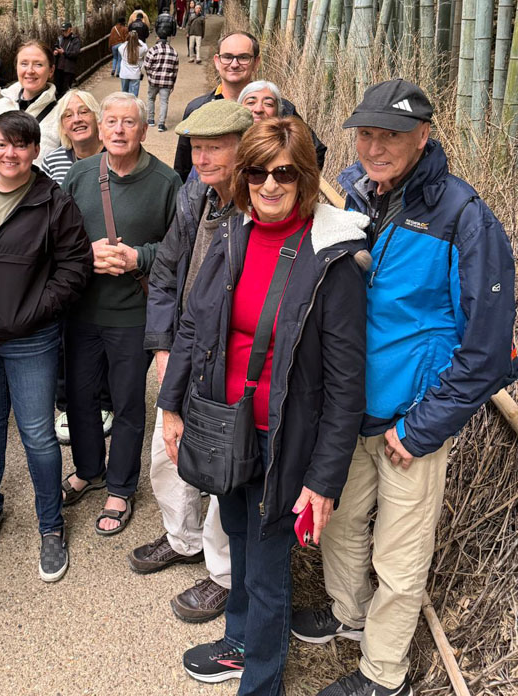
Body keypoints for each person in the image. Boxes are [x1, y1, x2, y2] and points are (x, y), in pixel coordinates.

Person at [292, 80, 517, 696]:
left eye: (390, 134)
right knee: (337, 526)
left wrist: (422, 426)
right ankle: (347, 616)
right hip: (350, 410)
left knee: (399, 556)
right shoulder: (352, 192)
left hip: (411, 420)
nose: (374, 146)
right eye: (366, 133)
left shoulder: (464, 217)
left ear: (424, 136)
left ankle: (384, 673)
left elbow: (490, 347)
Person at [158, 116, 368, 692]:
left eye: (284, 173)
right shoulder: (233, 235)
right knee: (241, 544)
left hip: (284, 439)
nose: (269, 185)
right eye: (256, 173)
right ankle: (240, 641)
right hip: (227, 430)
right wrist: (171, 406)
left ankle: (262, 682)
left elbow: (347, 387)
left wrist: (323, 482)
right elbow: (195, 326)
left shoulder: (332, 259)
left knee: (270, 566)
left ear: (305, 178)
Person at [0, 110, 92, 580]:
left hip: (31, 339)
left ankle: (50, 525)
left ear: (34, 151)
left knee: (37, 433)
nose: (11, 154)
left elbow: (75, 267)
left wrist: (34, 310)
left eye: (21, 146)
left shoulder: (53, 202)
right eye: (3, 144)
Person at [131, 101, 253, 625]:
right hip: (185, 348)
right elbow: (164, 274)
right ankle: (181, 539)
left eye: (215, 147)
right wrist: (161, 348)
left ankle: (222, 573)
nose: (202, 157)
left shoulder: (261, 204)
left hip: (235, 358)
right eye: (196, 147)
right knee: (167, 454)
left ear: (244, 148)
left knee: (227, 469)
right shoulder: (195, 197)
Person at [61, 93, 181, 536]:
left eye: (127, 123)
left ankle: (120, 485)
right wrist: (83, 254)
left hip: (133, 312)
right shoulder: (78, 175)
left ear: (143, 130)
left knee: (128, 401)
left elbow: (178, 248)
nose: (117, 130)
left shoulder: (167, 182)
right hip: (82, 308)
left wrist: (139, 258)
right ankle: (89, 468)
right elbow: (58, 235)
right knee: (79, 395)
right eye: (110, 121)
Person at [40, 89, 114, 446]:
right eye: (69, 115)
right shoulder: (53, 161)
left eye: (85, 111)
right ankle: (66, 403)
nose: (77, 119)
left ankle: (103, 400)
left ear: (97, 118)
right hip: (65, 262)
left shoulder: (115, 154)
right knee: (64, 334)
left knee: (103, 332)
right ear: (63, 126)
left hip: (111, 259)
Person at [173, 31, 261, 181]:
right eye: (227, 57)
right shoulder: (198, 108)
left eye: (243, 57)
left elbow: (312, 155)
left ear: (256, 62)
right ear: (217, 61)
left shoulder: (276, 109)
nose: (234, 64)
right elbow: (183, 167)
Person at [0, 40, 60, 163]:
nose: (30, 70)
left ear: (51, 70)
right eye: (24, 64)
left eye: (38, 64)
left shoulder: (60, 114)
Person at [239, 81, 327, 169]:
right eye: (250, 103)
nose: (258, 109)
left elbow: (316, 151)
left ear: (278, 111)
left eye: (268, 104)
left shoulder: (287, 118)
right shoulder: (230, 130)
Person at [143, 30, 179, 132]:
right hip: (167, 81)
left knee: (151, 99)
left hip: (154, 80)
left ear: (158, 38)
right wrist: (173, 83)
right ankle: (161, 124)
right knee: (164, 102)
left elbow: (146, 65)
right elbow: (175, 69)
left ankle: (150, 120)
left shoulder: (153, 50)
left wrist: (150, 76)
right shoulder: (173, 51)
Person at [53, 22, 83, 97]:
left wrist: (64, 52)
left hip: (68, 68)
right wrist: (56, 52)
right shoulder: (60, 38)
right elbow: (55, 47)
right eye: (63, 31)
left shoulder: (75, 40)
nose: (64, 32)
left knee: (65, 89)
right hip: (59, 67)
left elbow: (75, 53)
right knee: (57, 88)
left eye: (65, 30)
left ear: (70, 29)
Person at [117, 30, 148, 97]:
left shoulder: (122, 48)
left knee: (124, 95)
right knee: (133, 97)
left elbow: (120, 47)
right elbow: (145, 47)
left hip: (124, 74)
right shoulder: (141, 48)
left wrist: (127, 41)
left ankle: (125, 107)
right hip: (135, 74)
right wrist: (138, 40)